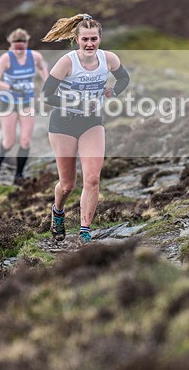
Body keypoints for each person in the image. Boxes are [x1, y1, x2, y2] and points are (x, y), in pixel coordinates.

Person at [40, 14, 130, 245]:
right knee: (67, 184)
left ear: (100, 39)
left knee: (92, 178)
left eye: (94, 39)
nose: (90, 44)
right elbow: (46, 95)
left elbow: (124, 79)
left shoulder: (108, 59)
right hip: (63, 124)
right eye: (85, 39)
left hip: (91, 123)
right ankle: (58, 211)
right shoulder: (67, 62)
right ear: (76, 39)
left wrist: (112, 92)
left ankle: (85, 231)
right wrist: (76, 104)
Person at [0, 28, 49, 184]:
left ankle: (18, 174)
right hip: (8, 102)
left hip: (27, 102)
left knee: (25, 140)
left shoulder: (35, 56)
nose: (19, 52)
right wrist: (10, 87)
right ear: (11, 45)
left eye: (22, 48)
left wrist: (48, 82)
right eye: (16, 49)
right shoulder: (6, 59)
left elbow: (43, 68)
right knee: (9, 141)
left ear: (26, 44)